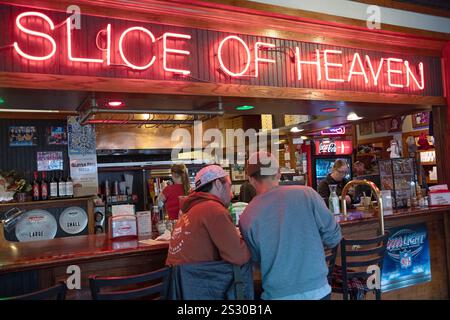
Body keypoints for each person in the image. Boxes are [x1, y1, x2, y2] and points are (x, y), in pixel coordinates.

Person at [239, 151, 342, 300]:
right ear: (279, 174)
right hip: (318, 290)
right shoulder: (308, 194)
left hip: (278, 294)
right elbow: (334, 238)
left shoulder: (247, 215)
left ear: (250, 179)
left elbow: (256, 261)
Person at [165, 165, 253, 299]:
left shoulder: (189, 212)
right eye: (229, 187)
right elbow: (239, 257)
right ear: (218, 184)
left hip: (183, 291)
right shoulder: (213, 209)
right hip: (203, 290)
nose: (232, 194)